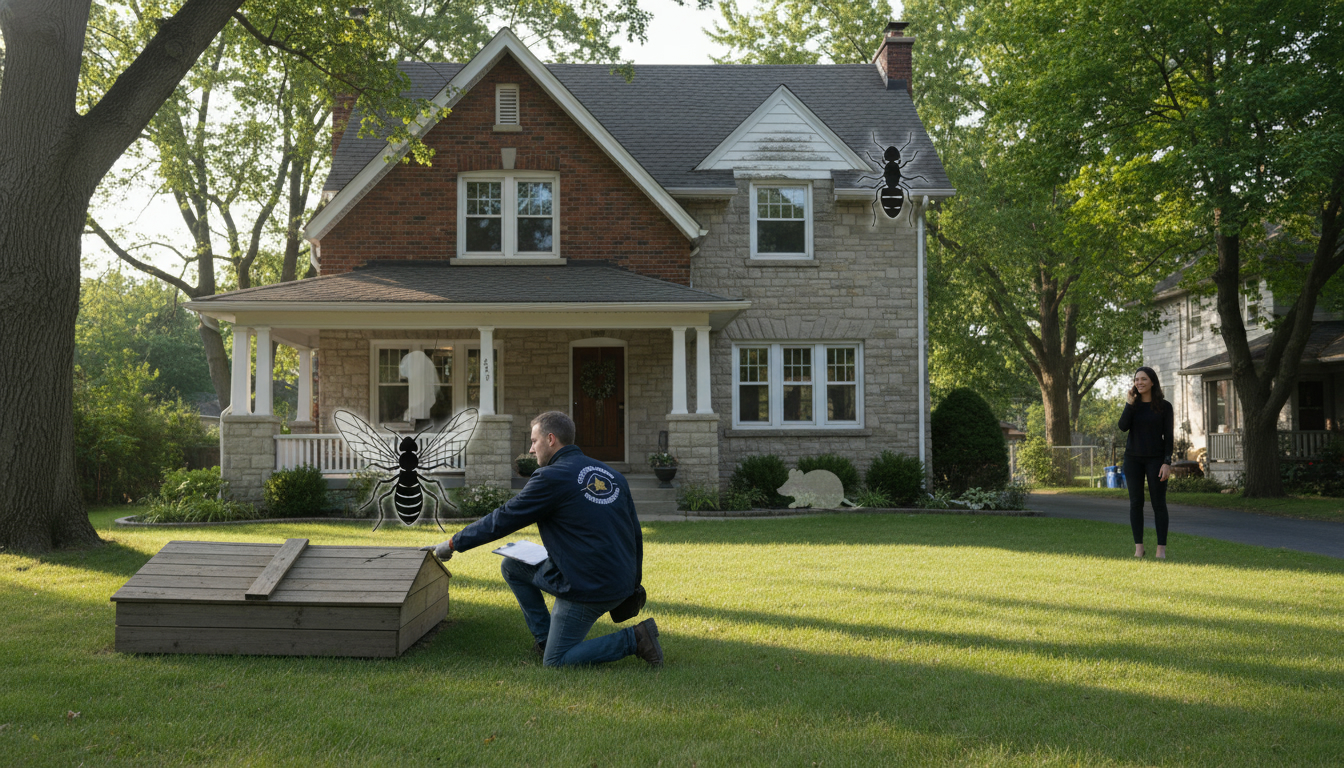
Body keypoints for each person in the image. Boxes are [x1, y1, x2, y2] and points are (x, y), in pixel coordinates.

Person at [421, 410, 663, 667]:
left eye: (534, 441)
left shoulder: (551, 477)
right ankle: (547, 639)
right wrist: (632, 583)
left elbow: (504, 518)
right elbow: (636, 535)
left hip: (589, 585)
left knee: (557, 661)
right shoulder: (612, 475)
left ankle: (635, 639)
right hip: (620, 578)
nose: (531, 449)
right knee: (513, 565)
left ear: (551, 439)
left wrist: (453, 543)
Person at [1118, 366, 1174, 559]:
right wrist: (1129, 403)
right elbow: (1122, 426)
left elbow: (1169, 437)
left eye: (1143, 379)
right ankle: (1139, 548)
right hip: (1133, 459)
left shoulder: (1164, 407)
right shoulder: (1133, 405)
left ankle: (1161, 549)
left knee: (1159, 504)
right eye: (1136, 380)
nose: (1139, 383)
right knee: (1136, 503)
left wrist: (1167, 462)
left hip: (1156, 460)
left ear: (1152, 382)